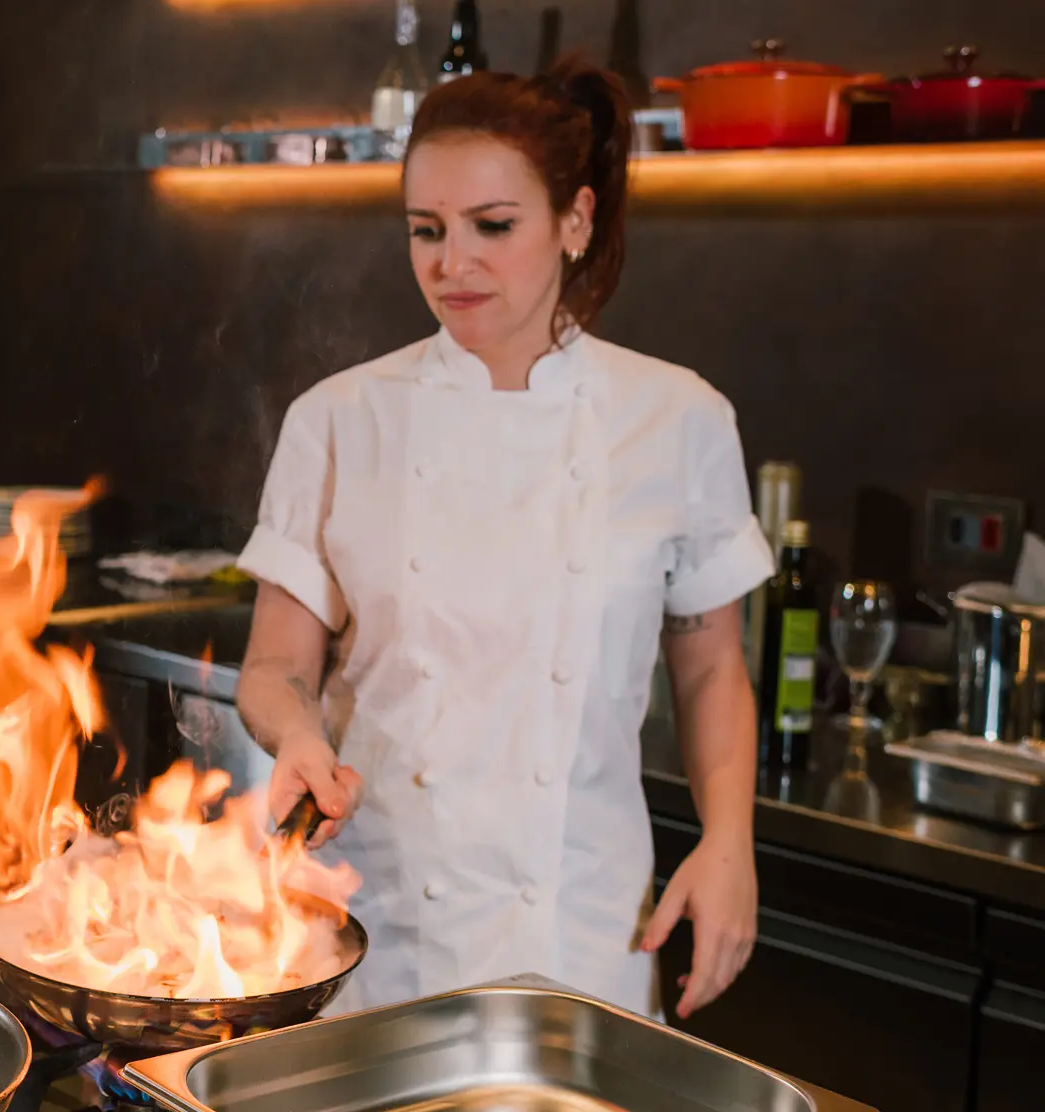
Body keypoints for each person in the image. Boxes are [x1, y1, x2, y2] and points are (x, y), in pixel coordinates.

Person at [236, 62, 767, 1022]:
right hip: (380, 932)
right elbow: (274, 666)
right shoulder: (340, 419)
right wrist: (301, 733)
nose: (452, 264)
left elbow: (710, 669)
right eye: (426, 232)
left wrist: (729, 841)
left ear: (575, 219)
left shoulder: (678, 419)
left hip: (578, 929)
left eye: (493, 226)